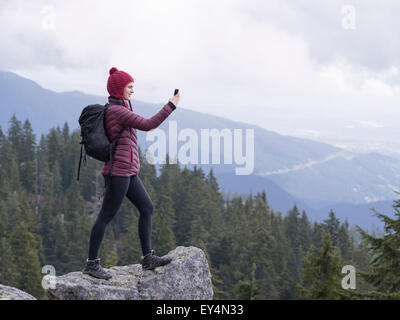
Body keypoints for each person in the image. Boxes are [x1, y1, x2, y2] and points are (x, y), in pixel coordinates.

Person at [82, 67, 179, 280]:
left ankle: (148, 258)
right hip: (119, 172)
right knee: (105, 216)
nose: (133, 91)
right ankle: (91, 264)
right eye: (130, 86)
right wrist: (171, 105)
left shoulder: (120, 107)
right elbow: (148, 124)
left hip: (128, 170)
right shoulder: (117, 111)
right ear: (120, 88)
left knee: (147, 208)